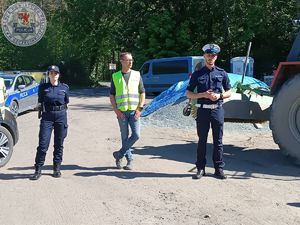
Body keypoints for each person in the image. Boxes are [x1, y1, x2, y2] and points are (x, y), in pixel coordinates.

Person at [186, 44, 232, 180]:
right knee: (202, 141)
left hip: (217, 110)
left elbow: (229, 91)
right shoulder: (197, 74)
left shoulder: (222, 73)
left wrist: (220, 96)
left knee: (218, 141)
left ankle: (219, 169)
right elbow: (189, 93)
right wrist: (203, 95)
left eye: (213, 55)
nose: (210, 57)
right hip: (203, 111)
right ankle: (200, 169)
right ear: (204, 56)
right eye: (208, 55)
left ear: (216, 57)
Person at [30, 65, 69, 180]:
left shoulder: (64, 87)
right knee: (43, 144)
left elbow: (66, 101)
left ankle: (56, 168)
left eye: (55, 73)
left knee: (59, 144)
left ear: (59, 75)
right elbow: (40, 100)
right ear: (48, 75)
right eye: (51, 73)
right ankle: (38, 169)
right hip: (47, 117)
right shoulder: (43, 87)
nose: (53, 75)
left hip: (61, 117)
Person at [110, 52, 145, 170]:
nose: (130, 62)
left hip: (134, 111)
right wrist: (117, 111)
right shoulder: (115, 76)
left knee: (136, 135)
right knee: (124, 137)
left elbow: (142, 93)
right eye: (128, 60)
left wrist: (140, 109)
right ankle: (129, 160)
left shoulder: (136, 74)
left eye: (131, 60)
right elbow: (112, 96)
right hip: (121, 112)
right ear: (122, 61)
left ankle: (119, 154)